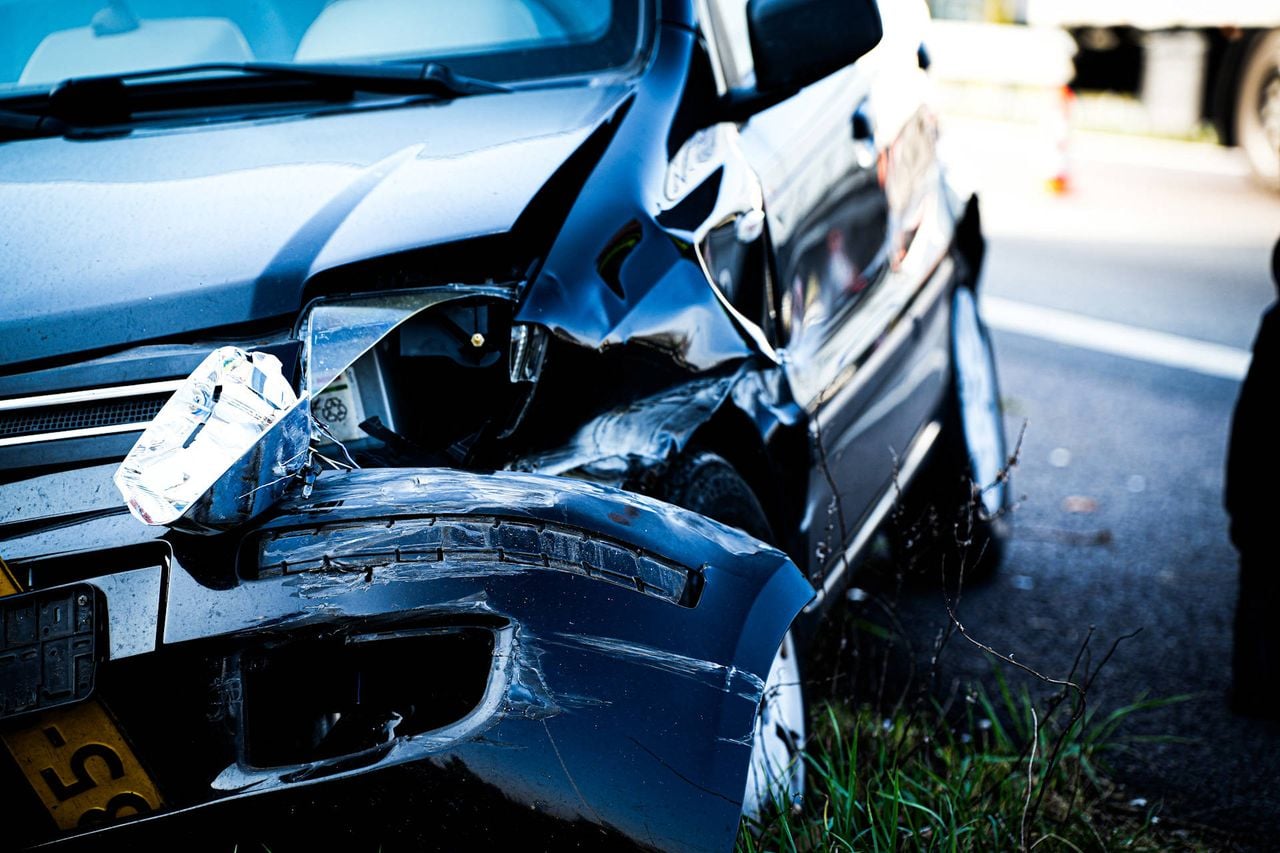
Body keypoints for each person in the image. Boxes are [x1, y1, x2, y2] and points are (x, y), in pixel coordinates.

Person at [1227, 237, 1280, 718]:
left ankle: (1249, 688)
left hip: (1262, 498)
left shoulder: (1275, 326)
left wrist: (1237, 499)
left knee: (1257, 591)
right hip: (1263, 500)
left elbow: (1248, 424)